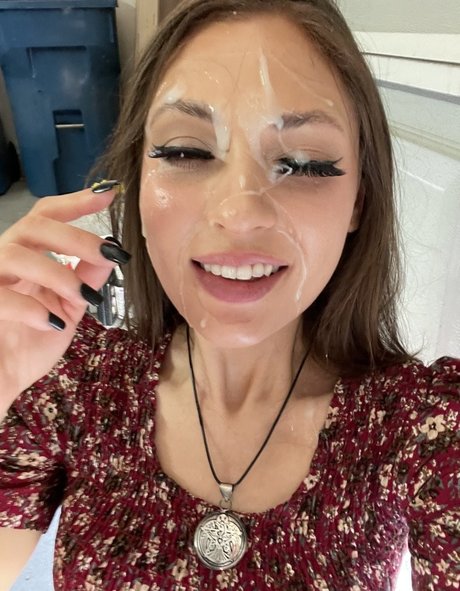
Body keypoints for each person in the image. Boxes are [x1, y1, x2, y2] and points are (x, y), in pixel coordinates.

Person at [0, 0, 458, 589]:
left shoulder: (426, 429)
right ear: (137, 187)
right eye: (185, 152)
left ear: (358, 202)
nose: (240, 215)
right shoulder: (64, 375)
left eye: (303, 162)